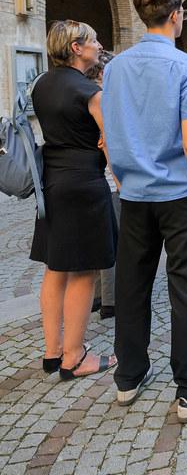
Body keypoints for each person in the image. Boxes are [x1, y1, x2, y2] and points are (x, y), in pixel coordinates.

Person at [102, 0, 187, 423]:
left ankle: (129, 376)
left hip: (134, 194)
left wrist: (123, 175)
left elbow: (109, 133)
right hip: (179, 193)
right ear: (175, 16)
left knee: (132, 286)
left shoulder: (115, 68)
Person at [29, 21, 116, 379]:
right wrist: (123, 182)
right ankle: (75, 358)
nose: (99, 45)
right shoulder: (90, 91)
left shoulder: (41, 84)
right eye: (93, 40)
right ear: (77, 48)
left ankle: (52, 353)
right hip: (84, 185)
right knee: (83, 271)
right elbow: (111, 144)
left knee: (55, 268)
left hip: (52, 183)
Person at [84, 51, 119, 321]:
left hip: (86, 178)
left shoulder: (80, 96)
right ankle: (111, 301)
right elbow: (108, 142)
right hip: (107, 179)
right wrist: (119, 179)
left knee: (95, 240)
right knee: (112, 242)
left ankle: (96, 296)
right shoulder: (103, 99)